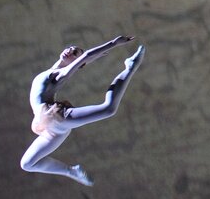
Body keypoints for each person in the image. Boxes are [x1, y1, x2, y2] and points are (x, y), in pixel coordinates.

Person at [20, 35, 143, 186]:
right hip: (48, 126)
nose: (70, 50)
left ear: (78, 62)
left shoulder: (59, 74)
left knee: (108, 109)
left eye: (75, 52)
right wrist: (91, 58)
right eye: (70, 48)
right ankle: (71, 171)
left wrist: (114, 43)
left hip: (54, 117)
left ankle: (130, 67)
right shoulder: (53, 70)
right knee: (27, 164)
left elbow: (86, 56)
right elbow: (86, 58)